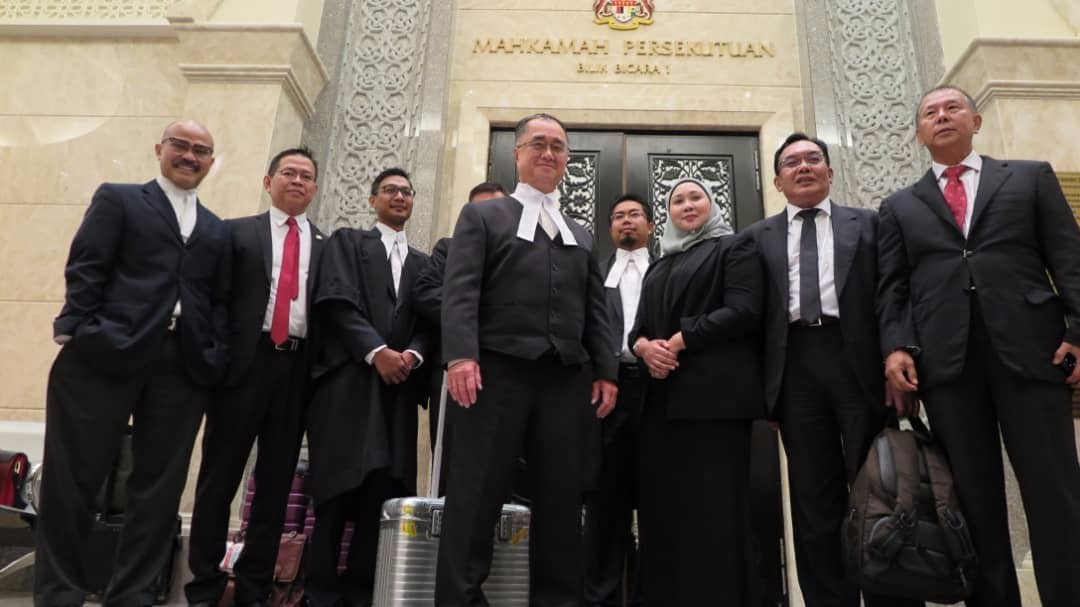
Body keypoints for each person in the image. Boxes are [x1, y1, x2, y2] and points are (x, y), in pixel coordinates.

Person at [878, 85, 1080, 607]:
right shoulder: (898, 207)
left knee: (1056, 493)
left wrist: (1078, 331)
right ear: (919, 134)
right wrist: (897, 347)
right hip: (947, 366)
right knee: (970, 501)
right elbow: (893, 287)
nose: (942, 116)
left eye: (953, 108)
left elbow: (1069, 258)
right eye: (931, 112)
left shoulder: (1030, 177)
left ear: (977, 121)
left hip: (1032, 354)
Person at [35, 120, 231, 607]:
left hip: (181, 365)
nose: (190, 156)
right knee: (73, 480)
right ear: (159, 148)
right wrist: (81, 329)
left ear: (211, 161)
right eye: (180, 146)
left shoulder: (215, 228)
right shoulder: (119, 199)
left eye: (201, 150)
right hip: (103, 354)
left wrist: (212, 352)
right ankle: (60, 595)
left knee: (159, 489)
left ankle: (134, 596)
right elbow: (86, 265)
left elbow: (217, 299)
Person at [436, 113, 618, 606]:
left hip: (565, 380)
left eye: (558, 146)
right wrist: (460, 356)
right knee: (476, 494)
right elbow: (460, 290)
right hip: (494, 373)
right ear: (516, 153)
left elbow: (595, 310)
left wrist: (606, 371)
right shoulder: (482, 217)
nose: (548, 153)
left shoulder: (580, 233)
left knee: (561, 500)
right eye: (538, 143)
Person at [744, 133, 922, 607]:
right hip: (794, 369)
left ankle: (891, 599)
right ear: (777, 181)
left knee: (880, 487)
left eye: (813, 159)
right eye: (791, 162)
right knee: (813, 498)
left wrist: (896, 352)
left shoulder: (869, 224)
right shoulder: (755, 238)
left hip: (860, 363)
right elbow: (749, 318)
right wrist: (766, 392)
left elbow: (893, 292)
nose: (803, 167)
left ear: (830, 171)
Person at [185, 147, 326, 607]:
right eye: (288, 173)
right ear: (268, 182)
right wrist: (215, 357)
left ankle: (254, 586)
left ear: (315, 188)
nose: (297, 181)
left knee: (275, 484)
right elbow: (211, 299)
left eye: (306, 176)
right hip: (241, 368)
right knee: (219, 478)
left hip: (295, 370)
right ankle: (205, 584)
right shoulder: (236, 232)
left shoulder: (326, 245)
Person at [629, 178, 763, 606]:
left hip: (713, 407)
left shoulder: (734, 248)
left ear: (712, 204)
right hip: (660, 408)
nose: (687, 205)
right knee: (665, 515)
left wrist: (681, 340)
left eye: (696, 197)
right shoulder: (659, 265)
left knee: (714, 515)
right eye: (677, 200)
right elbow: (639, 329)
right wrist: (645, 347)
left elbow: (743, 310)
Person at [304, 167, 431, 607]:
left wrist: (412, 354)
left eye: (406, 191)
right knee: (337, 488)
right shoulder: (347, 243)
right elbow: (336, 303)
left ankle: (363, 591)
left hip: (398, 390)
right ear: (373, 200)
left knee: (384, 489)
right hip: (349, 385)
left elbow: (430, 321)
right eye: (390, 190)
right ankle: (320, 593)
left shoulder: (422, 263)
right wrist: (376, 352)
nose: (399, 197)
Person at [583, 193, 654, 607]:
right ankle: (601, 596)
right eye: (618, 216)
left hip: (658, 391)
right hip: (607, 393)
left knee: (659, 494)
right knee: (605, 499)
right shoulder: (594, 274)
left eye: (634, 215)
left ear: (650, 225)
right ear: (610, 228)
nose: (626, 221)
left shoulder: (668, 269)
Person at [413, 180, 506, 482]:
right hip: (453, 371)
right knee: (452, 461)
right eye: (480, 208)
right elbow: (425, 292)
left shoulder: (523, 251)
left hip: (509, 371)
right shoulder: (448, 248)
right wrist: (480, 312)